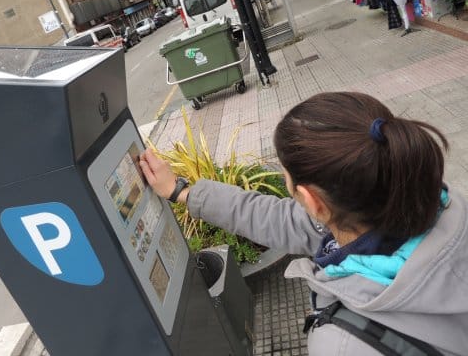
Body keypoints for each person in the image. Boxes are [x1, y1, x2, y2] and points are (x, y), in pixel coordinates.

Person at [139, 92, 468, 356]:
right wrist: (181, 191)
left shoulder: (342, 345)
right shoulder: (436, 205)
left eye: (286, 175)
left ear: (313, 202)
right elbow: (272, 217)